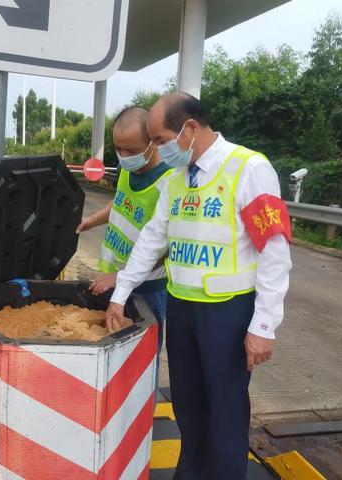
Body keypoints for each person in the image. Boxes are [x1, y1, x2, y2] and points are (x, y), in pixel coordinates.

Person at [105, 93, 292, 480]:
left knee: (225, 412)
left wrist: (263, 326)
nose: (157, 149)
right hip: (183, 309)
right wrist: (120, 294)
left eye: (160, 140)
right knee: (188, 407)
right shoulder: (176, 179)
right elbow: (151, 241)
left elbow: (274, 251)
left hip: (228, 313)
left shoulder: (249, 168)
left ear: (190, 128)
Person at [77, 106, 173, 390]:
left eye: (132, 150)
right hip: (113, 279)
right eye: (119, 149)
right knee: (113, 355)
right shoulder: (126, 171)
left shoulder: (169, 181)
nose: (124, 157)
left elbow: (165, 247)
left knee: (141, 362)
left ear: (153, 143)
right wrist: (91, 222)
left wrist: (123, 277)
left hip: (147, 289)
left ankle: (140, 421)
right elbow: (119, 203)